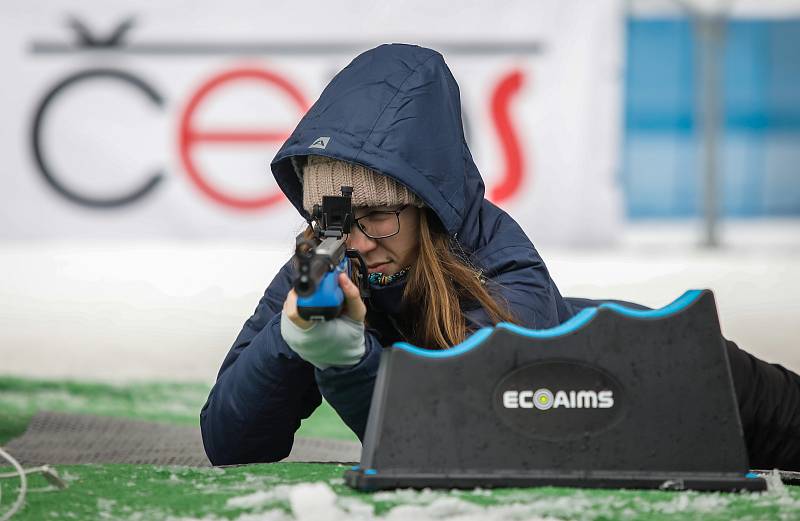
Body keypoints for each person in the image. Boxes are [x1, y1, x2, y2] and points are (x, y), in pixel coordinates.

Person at [200, 43, 800, 470]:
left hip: (679, 377)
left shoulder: (503, 265)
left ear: (426, 206)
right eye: (332, 218)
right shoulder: (321, 267)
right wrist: (292, 339)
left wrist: (349, 359)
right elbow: (228, 441)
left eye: (378, 215)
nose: (355, 241)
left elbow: (473, 443)